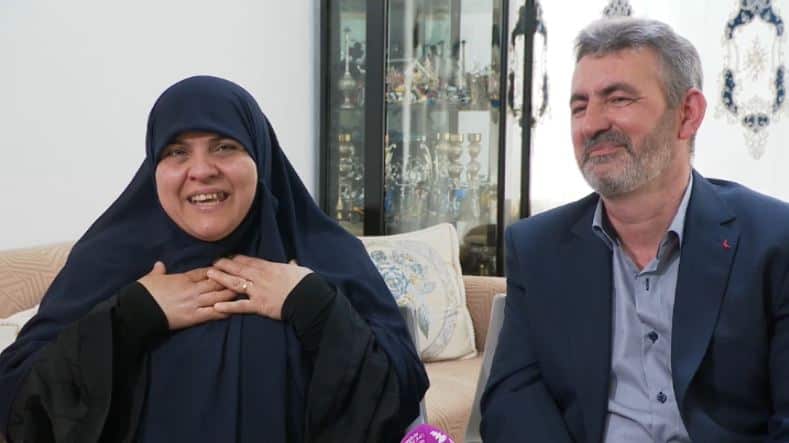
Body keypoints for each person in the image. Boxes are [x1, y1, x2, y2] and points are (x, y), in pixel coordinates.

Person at [0, 76, 428, 442]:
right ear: (155, 166)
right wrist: (128, 318)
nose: (201, 169)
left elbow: (399, 395)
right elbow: (19, 405)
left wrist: (314, 306)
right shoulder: (107, 262)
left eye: (224, 147)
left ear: (259, 157)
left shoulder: (323, 255)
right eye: (177, 152)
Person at [480, 17, 789, 442]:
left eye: (618, 99)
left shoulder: (773, 242)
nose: (591, 124)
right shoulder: (537, 248)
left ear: (688, 114)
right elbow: (511, 400)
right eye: (579, 106)